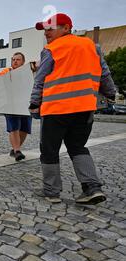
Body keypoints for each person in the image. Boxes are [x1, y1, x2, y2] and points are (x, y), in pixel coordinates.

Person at [29, 13, 116, 204]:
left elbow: (40, 79)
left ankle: (51, 192)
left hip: (56, 109)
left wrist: (35, 104)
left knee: (49, 149)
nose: (46, 33)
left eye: (50, 28)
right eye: (45, 30)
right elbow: (104, 73)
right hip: (84, 109)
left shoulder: (51, 49)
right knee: (77, 147)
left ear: (66, 28)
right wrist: (110, 94)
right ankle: (92, 187)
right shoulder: (93, 47)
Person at [0, 52, 33, 162]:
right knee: (14, 127)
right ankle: (17, 151)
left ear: (23, 62)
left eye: (18, 59)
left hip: (25, 104)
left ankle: (15, 149)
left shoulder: (28, 73)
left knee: (25, 129)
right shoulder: (6, 72)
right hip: (10, 104)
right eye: (13, 59)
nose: (15, 61)